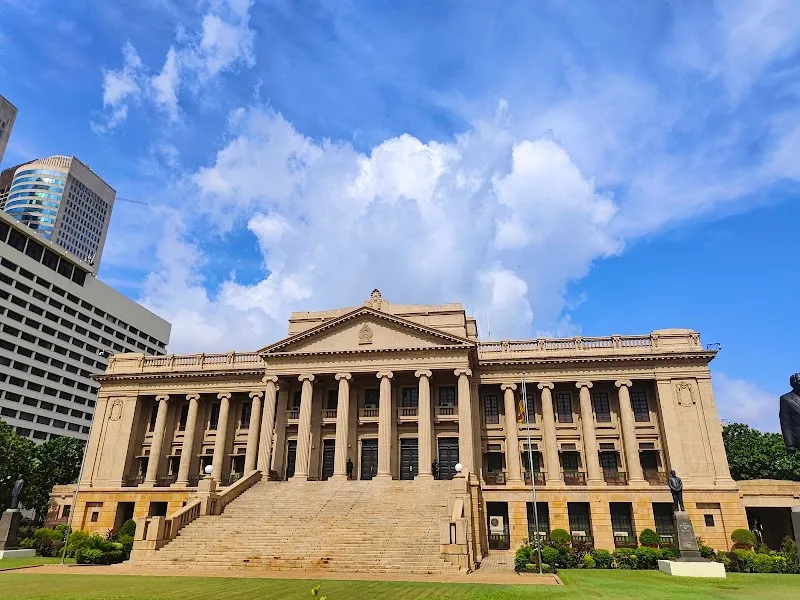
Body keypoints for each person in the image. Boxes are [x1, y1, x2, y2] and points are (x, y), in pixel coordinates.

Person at [779, 373, 800, 452]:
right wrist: (790, 444)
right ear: (792, 384)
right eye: (799, 381)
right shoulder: (786, 399)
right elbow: (785, 424)